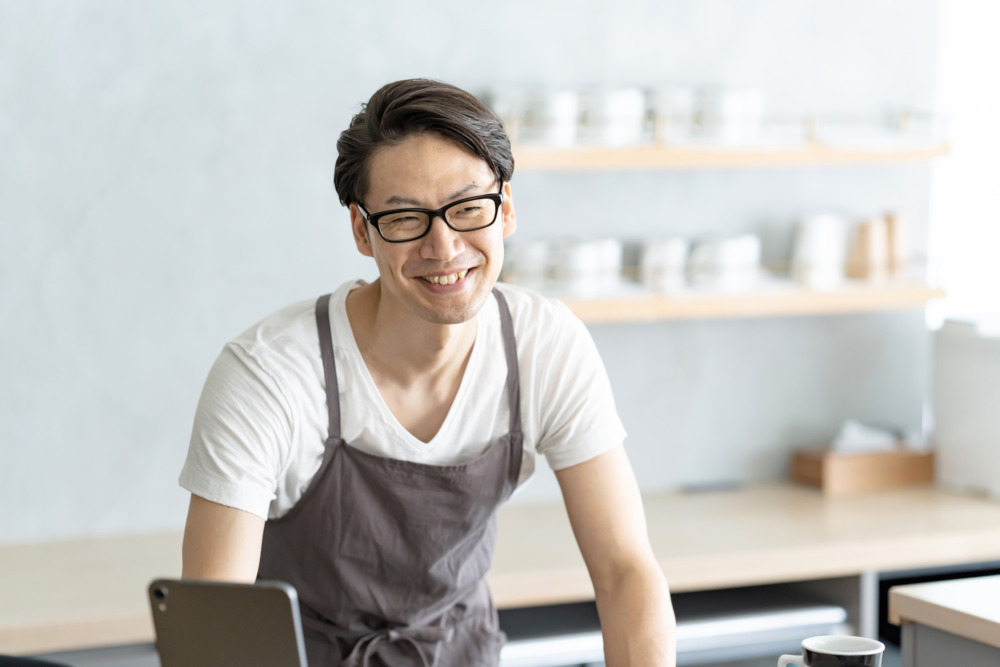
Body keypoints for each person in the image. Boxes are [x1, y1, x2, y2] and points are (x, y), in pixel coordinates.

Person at [179, 78, 676, 666]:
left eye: (467, 208)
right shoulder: (270, 375)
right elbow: (214, 626)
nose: (443, 247)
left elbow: (624, 570)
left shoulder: (543, 346)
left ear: (505, 209)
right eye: (404, 217)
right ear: (362, 230)